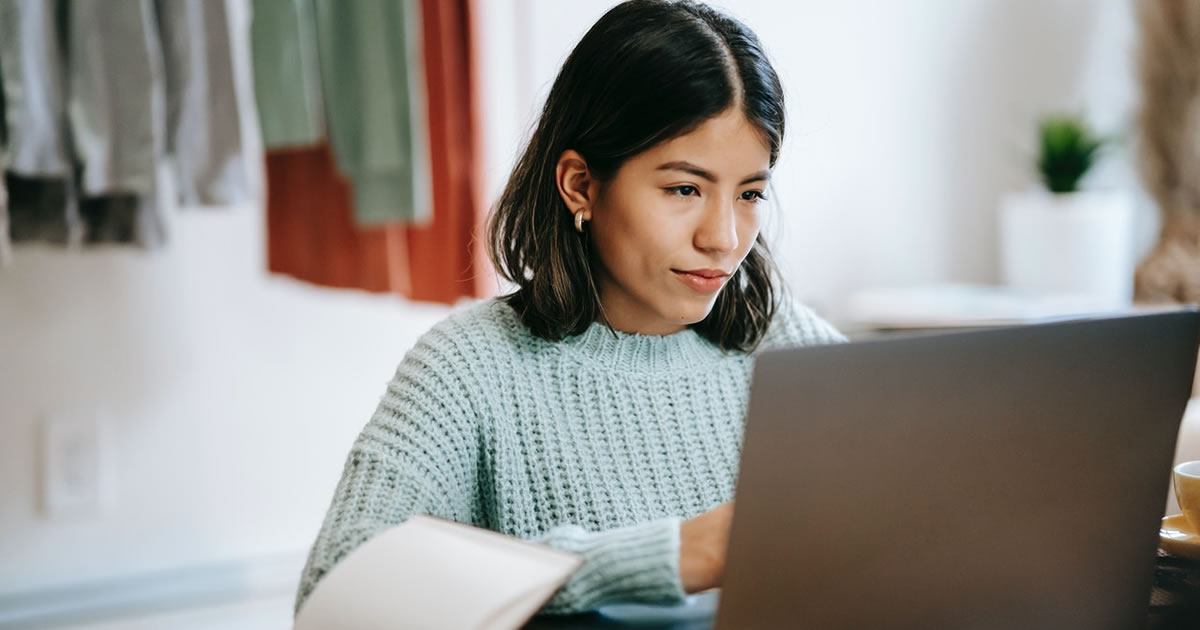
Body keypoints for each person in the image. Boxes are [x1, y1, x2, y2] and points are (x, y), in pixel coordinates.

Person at [295, 0, 844, 617]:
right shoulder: (470, 368)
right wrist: (661, 557)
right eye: (684, 188)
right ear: (580, 184)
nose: (723, 237)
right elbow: (334, 594)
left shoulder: (788, 345)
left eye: (749, 194)